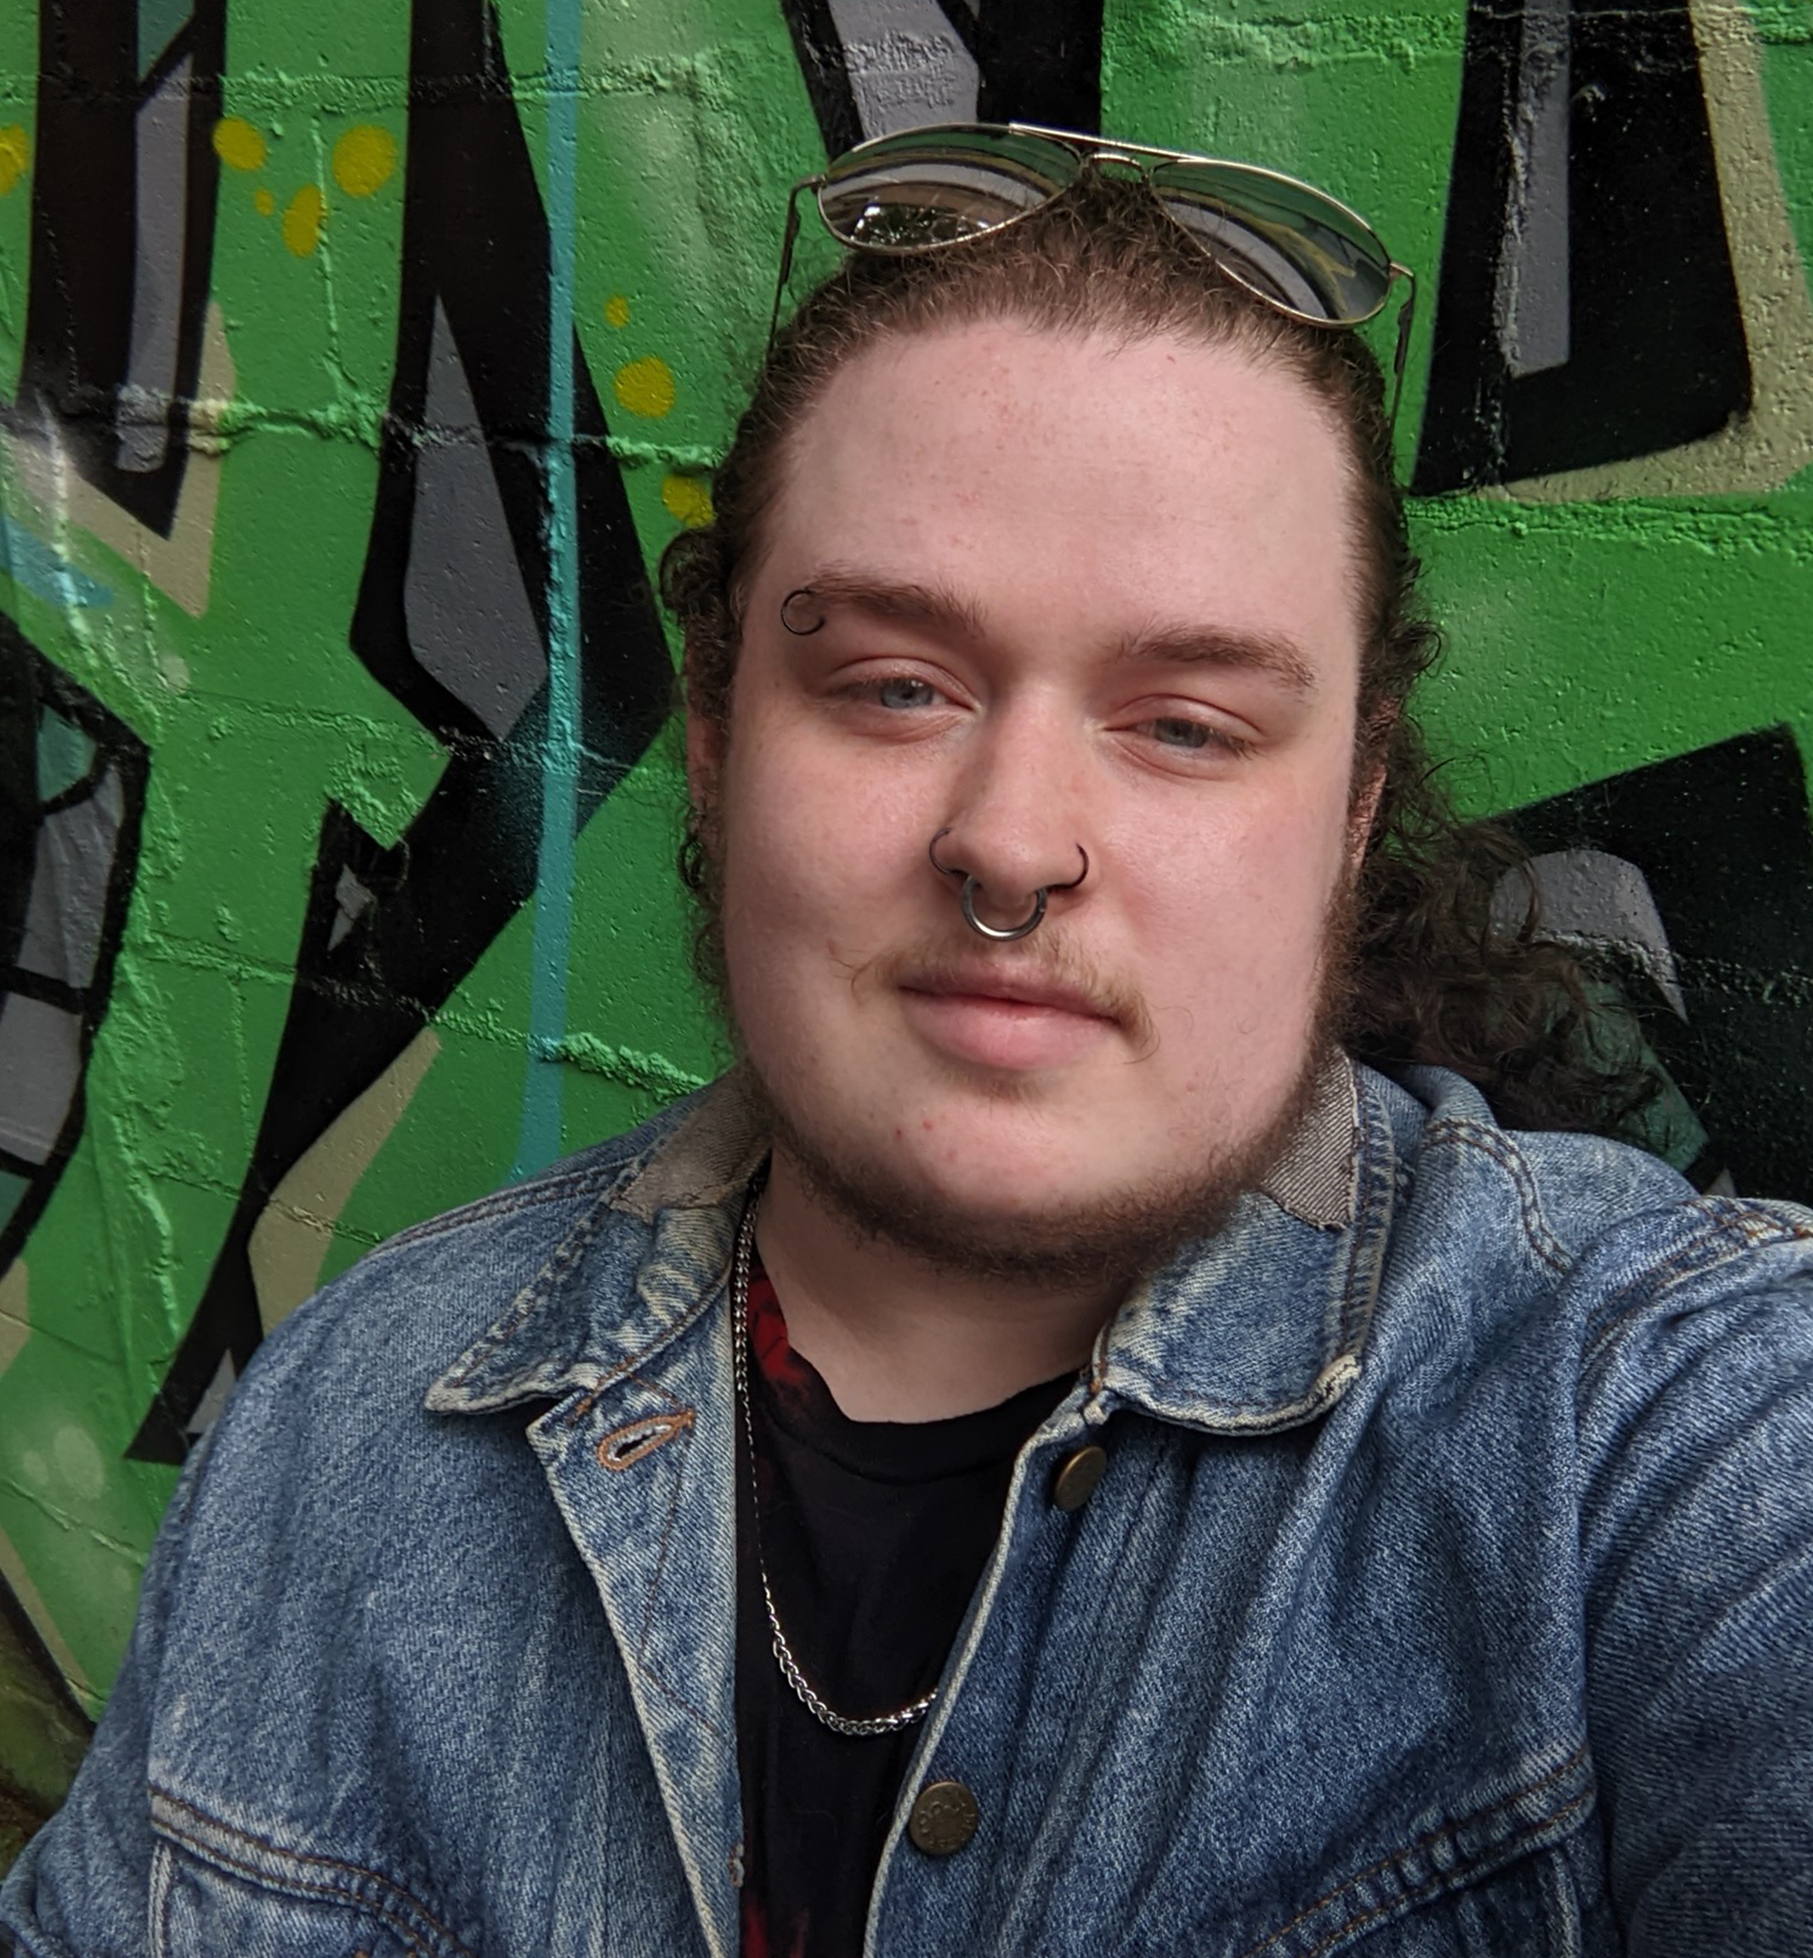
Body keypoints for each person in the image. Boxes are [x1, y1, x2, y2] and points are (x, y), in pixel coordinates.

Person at [5, 122, 1811, 1958]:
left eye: (1186, 723)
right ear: (716, 736)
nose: (1014, 844)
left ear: (1351, 805)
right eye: (893, 685)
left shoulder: (1638, 1435)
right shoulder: (343, 1433)